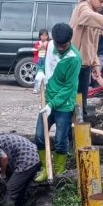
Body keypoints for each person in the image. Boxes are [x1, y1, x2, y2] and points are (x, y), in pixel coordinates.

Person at [35, 22, 80, 183]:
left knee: (61, 140)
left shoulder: (74, 58)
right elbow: (40, 58)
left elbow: (69, 87)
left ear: (70, 41)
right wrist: (39, 70)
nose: (60, 48)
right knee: (39, 136)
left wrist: (51, 105)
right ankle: (46, 168)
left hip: (63, 105)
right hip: (46, 99)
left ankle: (59, 172)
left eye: (64, 45)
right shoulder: (48, 46)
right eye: (58, 45)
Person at [32, 29, 49, 94]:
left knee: (46, 74)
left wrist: (45, 48)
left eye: (45, 35)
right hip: (38, 60)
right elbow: (34, 51)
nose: (44, 37)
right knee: (37, 74)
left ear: (47, 36)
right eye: (42, 35)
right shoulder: (37, 43)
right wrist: (39, 48)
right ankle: (36, 88)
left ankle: (45, 88)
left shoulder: (48, 43)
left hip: (46, 60)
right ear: (39, 36)